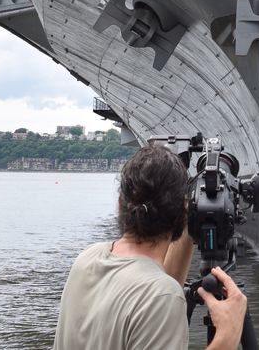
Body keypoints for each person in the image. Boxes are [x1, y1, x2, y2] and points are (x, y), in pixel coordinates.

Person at [54, 144, 248, 350]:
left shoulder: (87, 259)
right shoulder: (161, 296)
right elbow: (155, 293)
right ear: (182, 214)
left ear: (120, 204)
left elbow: (153, 285)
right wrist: (227, 337)